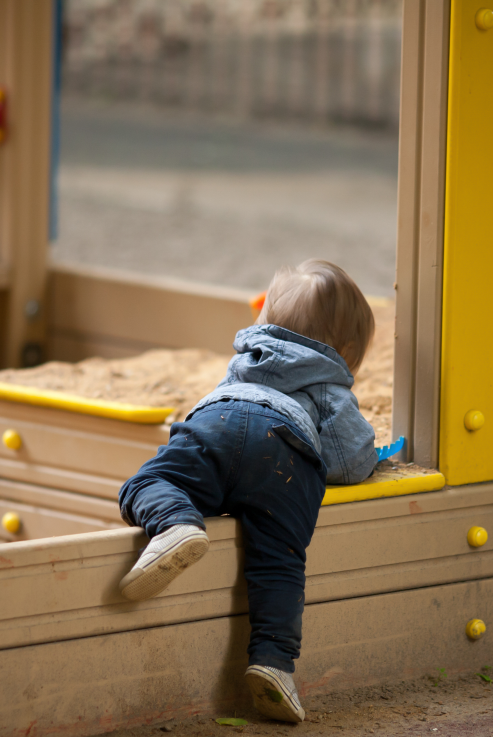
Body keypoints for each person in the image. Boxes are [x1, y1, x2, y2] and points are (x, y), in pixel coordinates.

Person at [117, 259, 378, 723]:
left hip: (215, 423)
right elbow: (351, 458)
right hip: (284, 449)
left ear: (267, 321)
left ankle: (175, 522)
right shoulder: (326, 381)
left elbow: (224, 416)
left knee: (149, 481)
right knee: (279, 561)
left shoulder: (244, 358)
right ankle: (273, 663)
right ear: (348, 348)